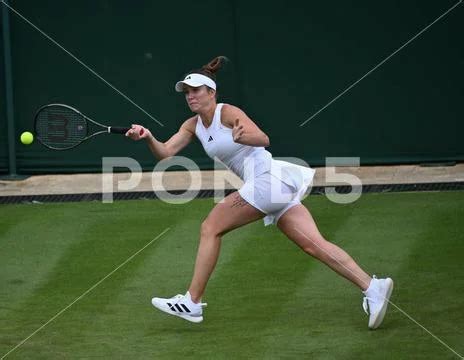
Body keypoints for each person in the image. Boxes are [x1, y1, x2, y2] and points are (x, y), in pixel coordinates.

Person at [126, 56, 394, 329]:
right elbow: (166, 152)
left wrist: (242, 137)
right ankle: (372, 286)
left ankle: (192, 302)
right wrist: (148, 137)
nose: (190, 96)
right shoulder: (192, 125)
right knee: (313, 244)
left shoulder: (228, 112)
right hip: (269, 185)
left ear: (211, 92)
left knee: (211, 227)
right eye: (186, 91)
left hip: (267, 180)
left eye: (195, 90)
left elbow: (263, 139)